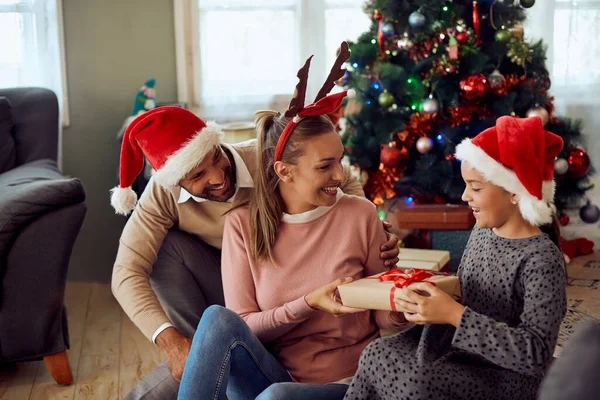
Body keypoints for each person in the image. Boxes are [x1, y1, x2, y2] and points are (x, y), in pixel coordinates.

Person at [109, 105, 400, 398]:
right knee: (211, 316)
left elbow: (341, 181)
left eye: (216, 158)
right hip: (240, 294)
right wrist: (172, 342)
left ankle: (209, 360)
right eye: (198, 174)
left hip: (321, 353)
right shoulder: (180, 199)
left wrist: (371, 234)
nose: (217, 177)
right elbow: (126, 272)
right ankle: (202, 349)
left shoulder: (271, 154)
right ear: (177, 181)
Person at [177, 43, 408, 400]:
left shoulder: (359, 214)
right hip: (276, 376)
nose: (339, 174)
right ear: (284, 171)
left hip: (350, 384)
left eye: (339, 160)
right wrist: (308, 303)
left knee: (276, 399)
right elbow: (247, 326)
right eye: (324, 166)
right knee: (217, 319)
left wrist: (401, 305)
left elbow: (383, 320)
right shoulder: (242, 225)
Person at [344, 116, 567, 400]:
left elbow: (535, 354)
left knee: (416, 381)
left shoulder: (541, 259)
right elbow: (468, 291)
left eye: (475, 187)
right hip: (455, 346)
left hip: (504, 376)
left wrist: (452, 314)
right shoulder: (482, 231)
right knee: (377, 352)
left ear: (514, 191)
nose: (464, 196)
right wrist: (424, 294)